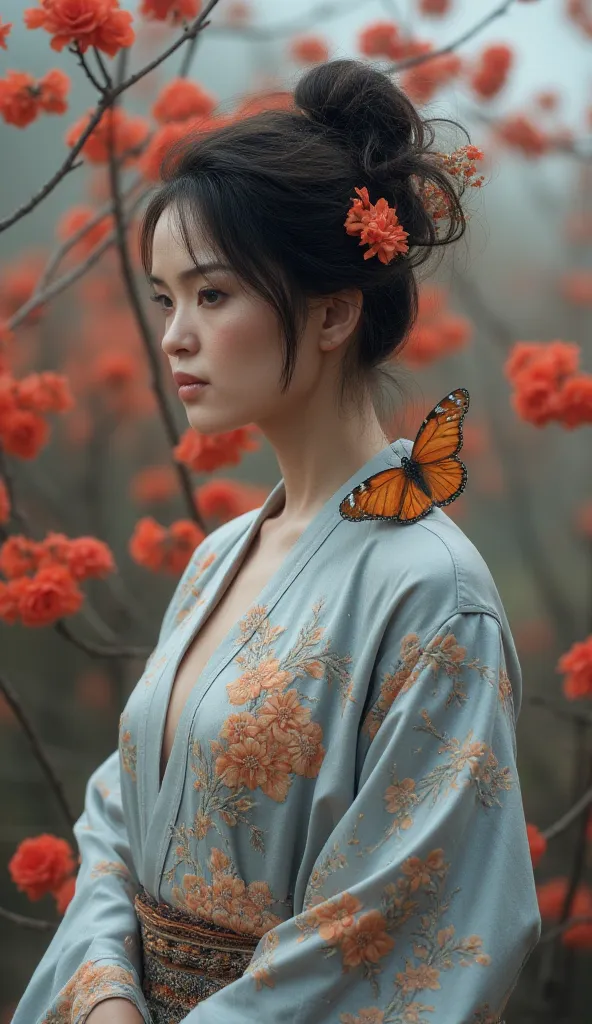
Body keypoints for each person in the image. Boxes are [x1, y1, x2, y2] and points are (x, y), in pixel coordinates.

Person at [13, 58, 540, 1024]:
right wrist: (102, 999)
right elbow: (116, 819)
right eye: (167, 299)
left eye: (211, 295)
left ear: (335, 311)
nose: (174, 335)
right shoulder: (219, 557)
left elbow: (400, 920)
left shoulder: (431, 592)